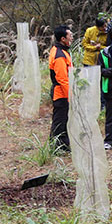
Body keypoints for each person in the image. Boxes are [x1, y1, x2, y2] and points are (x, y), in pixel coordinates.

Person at [48, 25, 73, 153]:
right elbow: (62, 79)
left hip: (62, 93)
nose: (72, 37)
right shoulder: (59, 55)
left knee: (62, 120)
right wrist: (70, 96)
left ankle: (62, 145)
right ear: (63, 38)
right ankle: (59, 147)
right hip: (61, 94)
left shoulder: (61, 51)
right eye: (70, 35)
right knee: (60, 121)